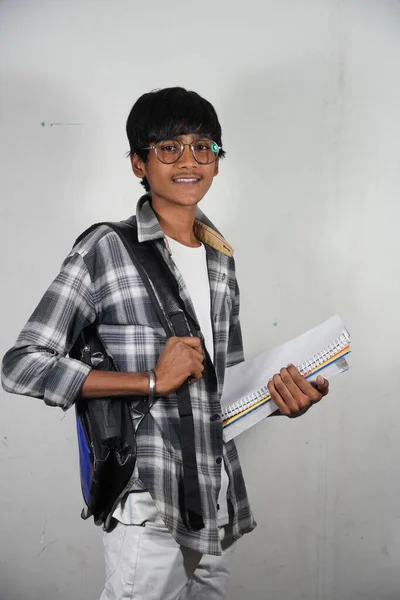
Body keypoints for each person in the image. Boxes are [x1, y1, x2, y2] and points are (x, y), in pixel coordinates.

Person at [1, 87, 329, 600]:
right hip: (148, 504)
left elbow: (225, 390)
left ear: (218, 162)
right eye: (168, 147)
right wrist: (151, 380)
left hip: (214, 501)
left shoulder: (221, 259)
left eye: (203, 147)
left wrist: (279, 398)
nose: (188, 161)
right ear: (139, 163)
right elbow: (20, 365)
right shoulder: (105, 248)